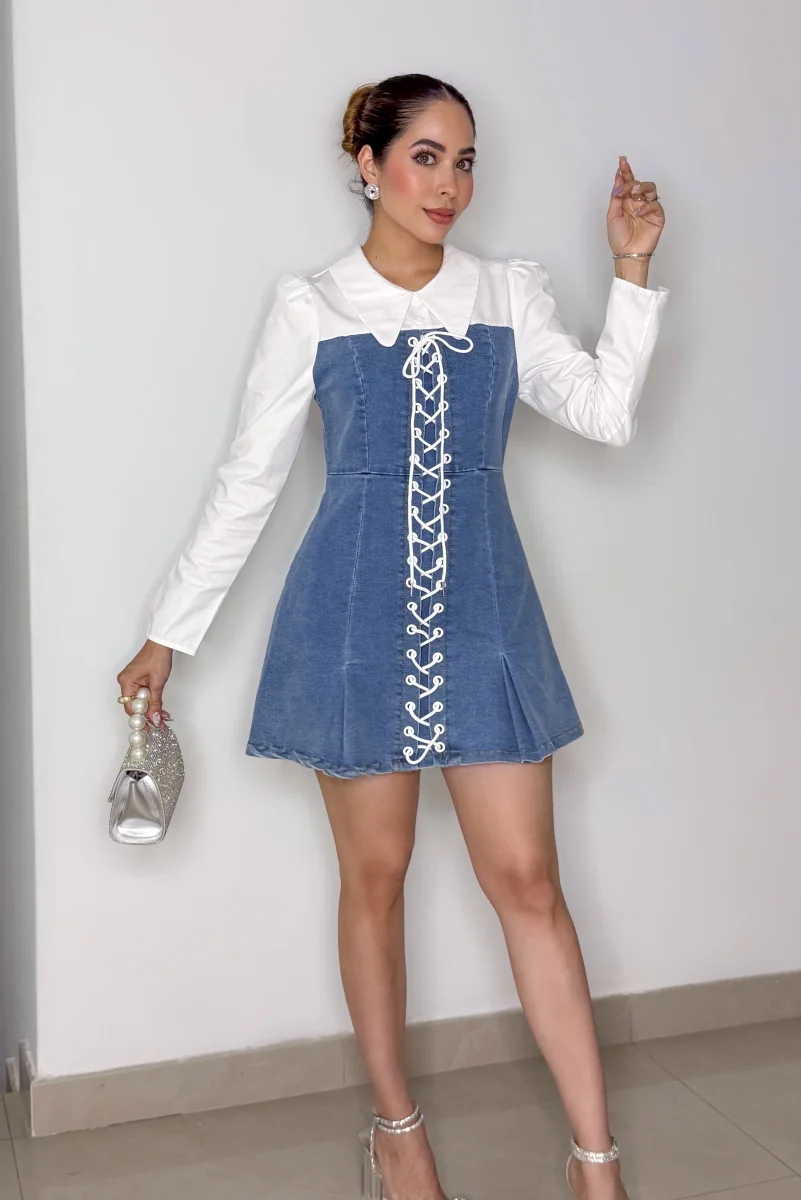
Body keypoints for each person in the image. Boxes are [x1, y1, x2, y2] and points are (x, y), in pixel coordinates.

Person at [117, 72, 668, 1200]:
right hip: (351, 622)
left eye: (464, 162)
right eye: (425, 157)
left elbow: (605, 413)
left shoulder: (505, 291)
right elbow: (249, 482)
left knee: (528, 882)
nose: (449, 183)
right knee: (375, 880)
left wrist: (629, 270)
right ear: (367, 165)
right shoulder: (311, 306)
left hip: (487, 621)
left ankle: (596, 1167)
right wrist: (167, 632)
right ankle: (397, 1135)